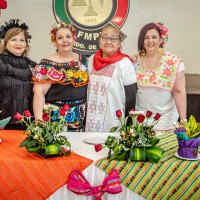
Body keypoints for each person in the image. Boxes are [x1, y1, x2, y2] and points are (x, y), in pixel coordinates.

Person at [32, 22, 88, 132]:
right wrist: (39, 122)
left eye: (68, 37)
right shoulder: (46, 64)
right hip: (55, 121)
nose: (65, 41)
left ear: (74, 39)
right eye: (60, 38)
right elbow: (39, 92)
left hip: (80, 119)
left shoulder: (83, 60)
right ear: (55, 41)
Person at [132, 22, 187, 133]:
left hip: (165, 119)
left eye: (154, 37)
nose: (150, 41)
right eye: (146, 37)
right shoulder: (133, 61)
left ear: (161, 39)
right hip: (140, 118)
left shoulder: (173, 62)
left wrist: (183, 120)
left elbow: (179, 92)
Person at [85, 24, 137, 132]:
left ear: (119, 42)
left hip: (114, 124)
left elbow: (131, 98)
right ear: (99, 40)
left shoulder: (125, 63)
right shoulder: (91, 60)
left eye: (113, 38)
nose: (108, 42)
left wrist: (128, 125)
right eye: (104, 37)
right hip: (90, 122)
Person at [0, 19, 36, 130]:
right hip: (3, 124)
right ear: (5, 43)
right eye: (13, 39)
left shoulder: (33, 66)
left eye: (22, 40)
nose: (18, 43)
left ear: (26, 44)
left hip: (27, 125)